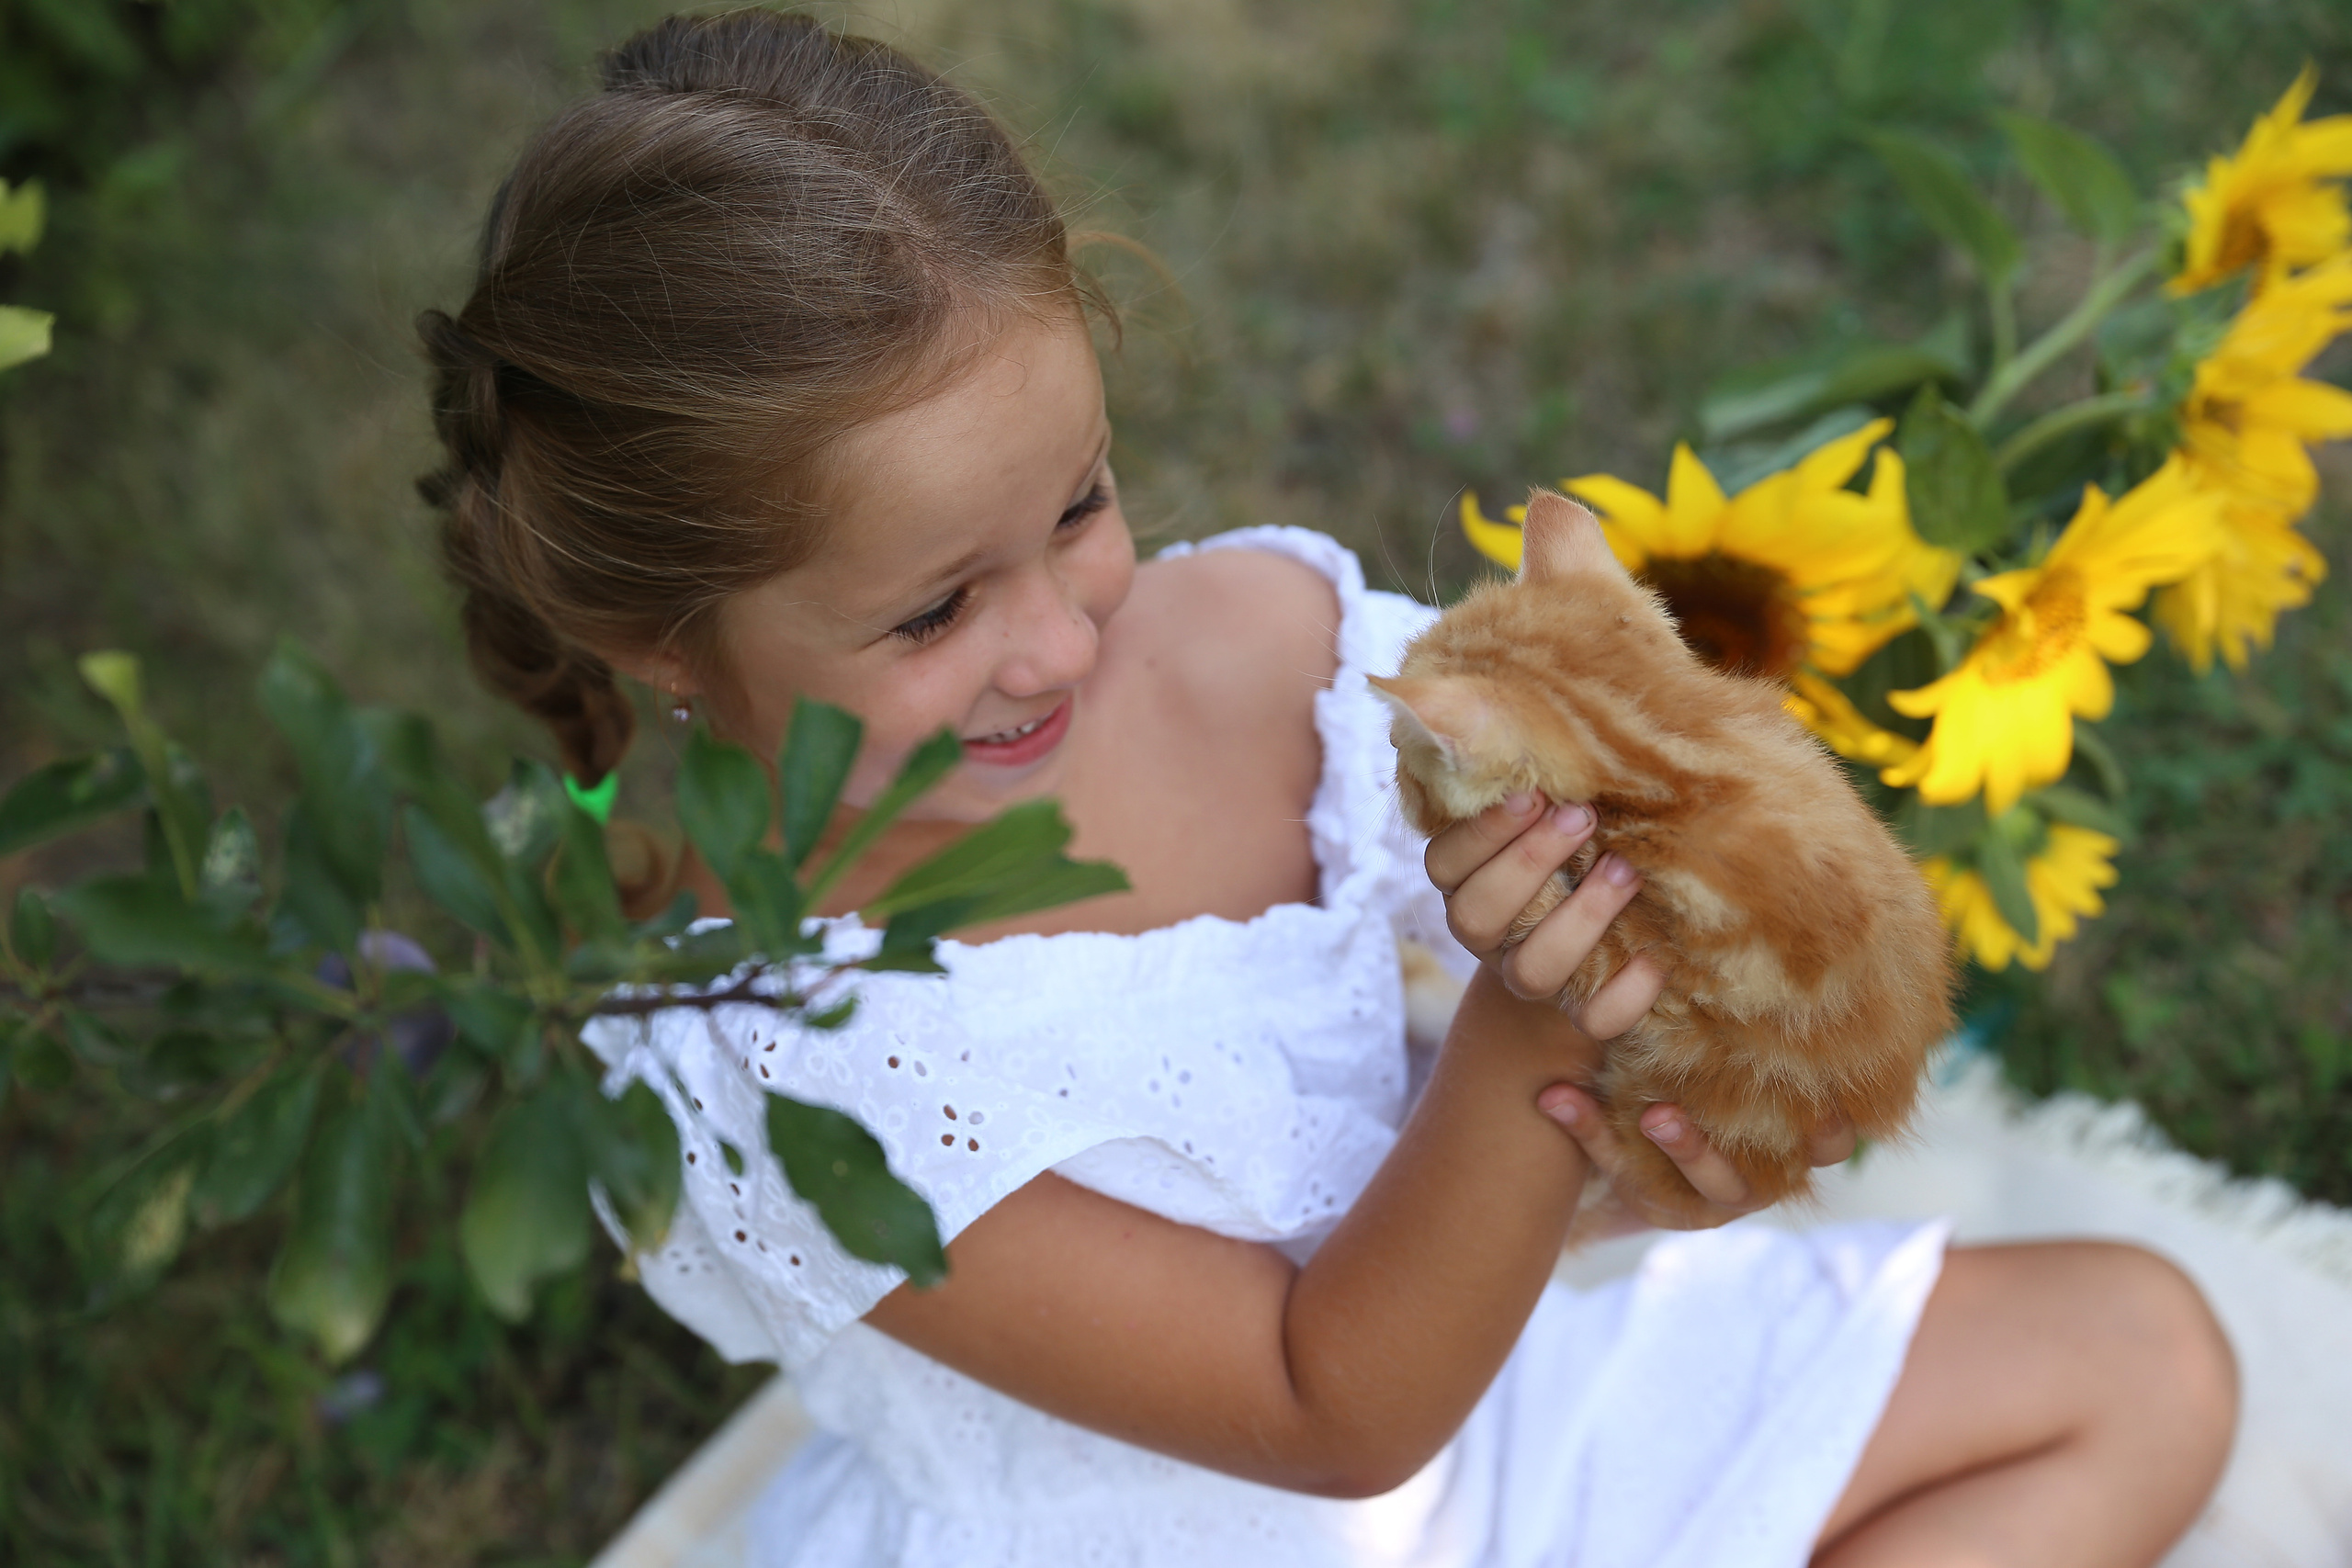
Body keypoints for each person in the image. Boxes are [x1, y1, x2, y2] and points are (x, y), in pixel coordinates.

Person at [418, 11, 2238, 1565]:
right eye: (933, 609)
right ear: (665, 640)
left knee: (2141, 1361)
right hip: (1208, 1495)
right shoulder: (769, 1057)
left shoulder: (1255, 648)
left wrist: (1635, 1144)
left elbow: (1529, 1064)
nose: (1057, 641)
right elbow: (1322, 1404)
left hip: (1472, 1374)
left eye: (1074, 506)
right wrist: (1534, 1030)